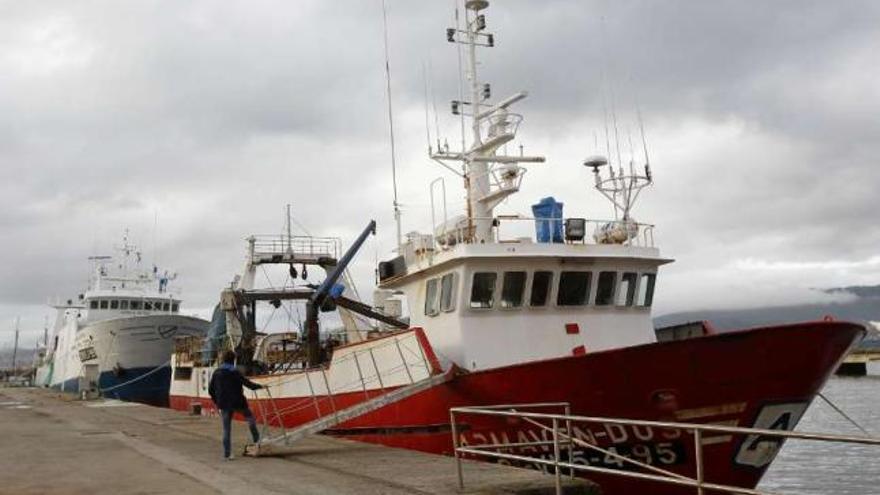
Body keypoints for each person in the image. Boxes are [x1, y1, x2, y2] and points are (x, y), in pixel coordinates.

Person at [208, 350, 264, 460]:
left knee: (226, 429)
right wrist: (261, 386)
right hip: (238, 402)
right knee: (250, 418)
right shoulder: (235, 372)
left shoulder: (217, 373)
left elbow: (211, 390)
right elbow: (248, 384)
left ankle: (227, 454)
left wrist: (217, 402)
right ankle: (257, 441)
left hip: (223, 404)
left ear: (223, 359)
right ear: (233, 360)